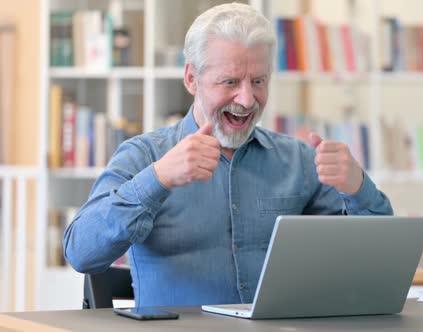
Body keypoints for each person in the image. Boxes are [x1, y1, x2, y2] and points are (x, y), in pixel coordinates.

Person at [63, 3, 393, 307]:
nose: (247, 100)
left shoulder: (300, 161)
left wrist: (357, 186)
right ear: (192, 78)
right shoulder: (143, 156)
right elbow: (81, 252)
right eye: (230, 81)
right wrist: (158, 178)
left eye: (258, 81)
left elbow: (382, 259)